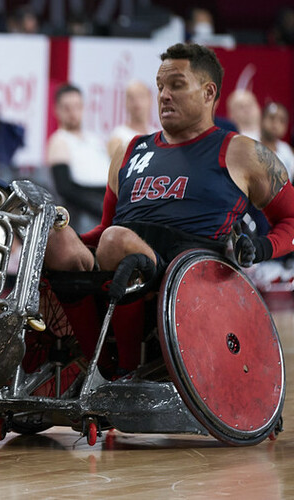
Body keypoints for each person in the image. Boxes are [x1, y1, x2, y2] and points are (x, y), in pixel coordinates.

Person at [45, 42, 294, 371]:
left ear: (208, 93)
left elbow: (290, 219)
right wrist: (64, 236)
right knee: (52, 236)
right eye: (161, 86)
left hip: (187, 280)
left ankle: (125, 372)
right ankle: (96, 365)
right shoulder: (128, 150)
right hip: (119, 260)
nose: (164, 95)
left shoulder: (242, 152)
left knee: (117, 241)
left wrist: (261, 247)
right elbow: (104, 230)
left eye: (176, 85)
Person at [46, 83, 110, 231]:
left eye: (77, 107)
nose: (73, 113)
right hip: (84, 211)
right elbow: (64, 188)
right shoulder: (59, 140)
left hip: (106, 199)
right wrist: (101, 210)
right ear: (57, 110)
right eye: (67, 108)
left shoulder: (95, 140)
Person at [107, 80, 153, 158]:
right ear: (125, 103)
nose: (137, 102)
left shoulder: (157, 135)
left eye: (141, 96)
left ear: (150, 100)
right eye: (131, 98)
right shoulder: (118, 136)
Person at [260, 102, 294, 179]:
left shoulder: (287, 152)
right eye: (272, 118)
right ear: (262, 119)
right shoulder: (249, 142)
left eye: (282, 121)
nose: (276, 124)